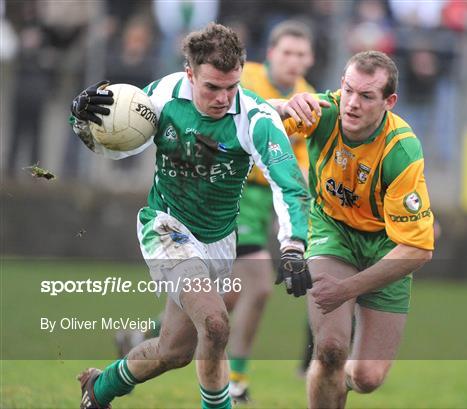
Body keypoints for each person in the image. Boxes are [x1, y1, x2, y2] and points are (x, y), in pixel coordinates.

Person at [70, 23, 311, 409]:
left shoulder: (257, 117)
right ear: (190, 74)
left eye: (231, 87)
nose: (222, 98)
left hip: (217, 241)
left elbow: (289, 185)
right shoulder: (163, 96)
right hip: (165, 227)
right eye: (211, 87)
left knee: (174, 351)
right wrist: (83, 121)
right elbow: (115, 145)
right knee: (215, 324)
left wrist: (294, 244)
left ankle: (99, 389)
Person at [272, 50, 434, 408]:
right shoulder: (322, 112)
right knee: (330, 349)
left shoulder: (401, 151)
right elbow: (257, 117)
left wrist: (346, 289)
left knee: (367, 378)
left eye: (366, 96)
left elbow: (418, 249)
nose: (352, 104)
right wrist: (284, 106)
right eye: (348, 90)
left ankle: (335, 382)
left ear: (389, 102)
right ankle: (329, 373)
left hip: (386, 246)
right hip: (333, 230)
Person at [226, 19, 314, 402]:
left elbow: (299, 164)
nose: (294, 61)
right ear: (270, 55)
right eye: (287, 53)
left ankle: (144, 337)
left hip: (271, 196)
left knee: (225, 296)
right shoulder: (242, 80)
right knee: (259, 286)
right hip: (235, 190)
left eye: (301, 54)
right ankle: (236, 381)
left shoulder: (306, 97)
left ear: (309, 59)